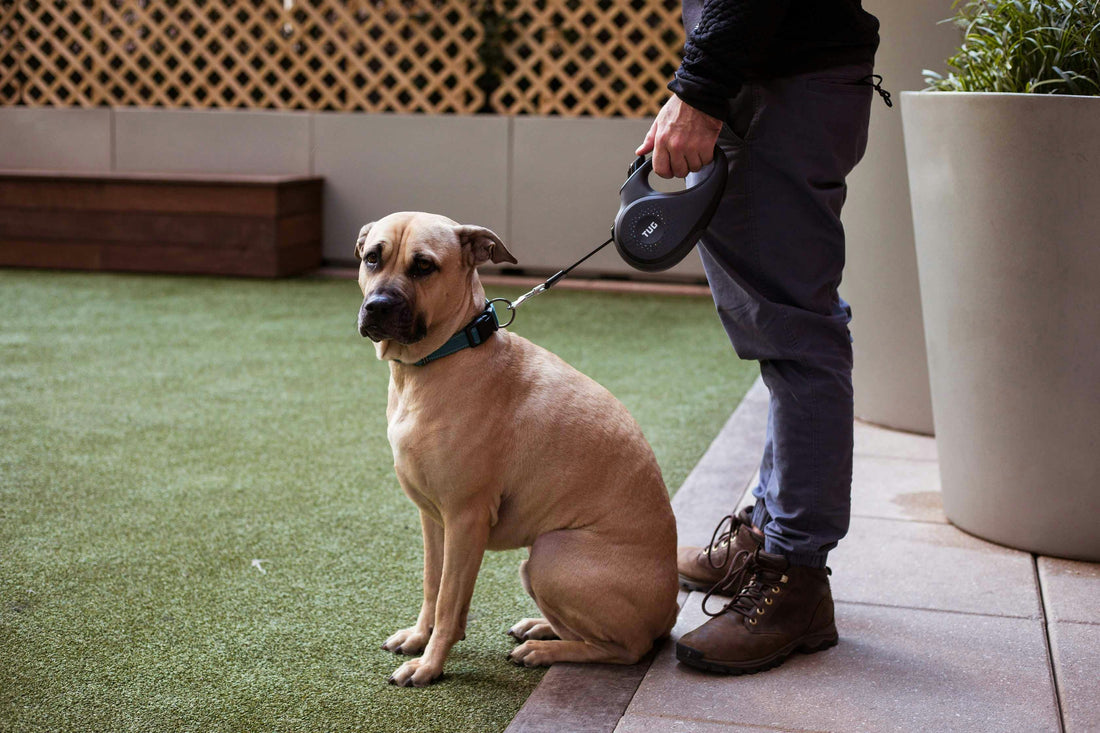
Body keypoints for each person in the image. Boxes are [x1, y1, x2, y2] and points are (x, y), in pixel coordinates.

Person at [636, 0, 887, 674]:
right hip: (781, 77)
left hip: (779, 85)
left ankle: (794, 578)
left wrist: (697, 92)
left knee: (799, 339)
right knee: (786, 337)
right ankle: (767, 538)